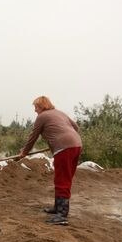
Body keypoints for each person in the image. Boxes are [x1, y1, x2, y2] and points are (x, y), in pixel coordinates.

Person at [19, 96, 82, 226]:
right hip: (76, 145)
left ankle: (62, 216)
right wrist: (62, 137)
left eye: (36, 107)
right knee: (65, 178)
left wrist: (24, 152)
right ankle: (58, 208)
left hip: (65, 148)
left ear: (42, 106)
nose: (35, 110)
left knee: (62, 179)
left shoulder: (42, 116)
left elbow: (33, 136)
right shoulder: (60, 113)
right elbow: (76, 127)